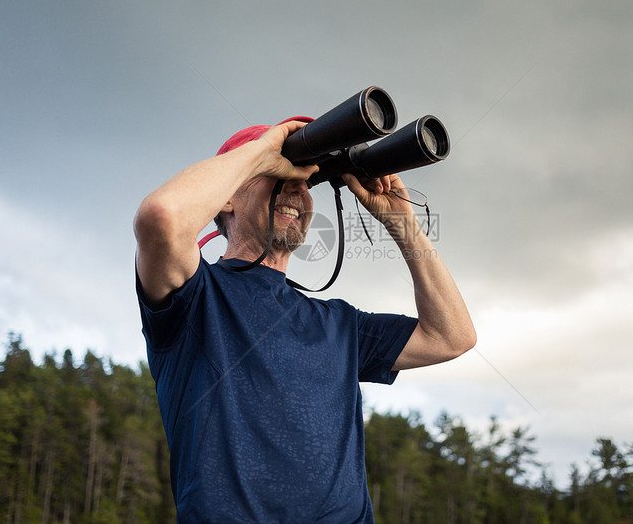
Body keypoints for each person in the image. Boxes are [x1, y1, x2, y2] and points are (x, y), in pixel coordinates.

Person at [134, 116, 476, 523]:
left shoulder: (340, 324)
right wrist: (264, 152)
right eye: (278, 175)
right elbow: (161, 216)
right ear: (226, 197)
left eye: (306, 181)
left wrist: (403, 223)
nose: (297, 188)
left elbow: (452, 336)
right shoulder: (195, 299)